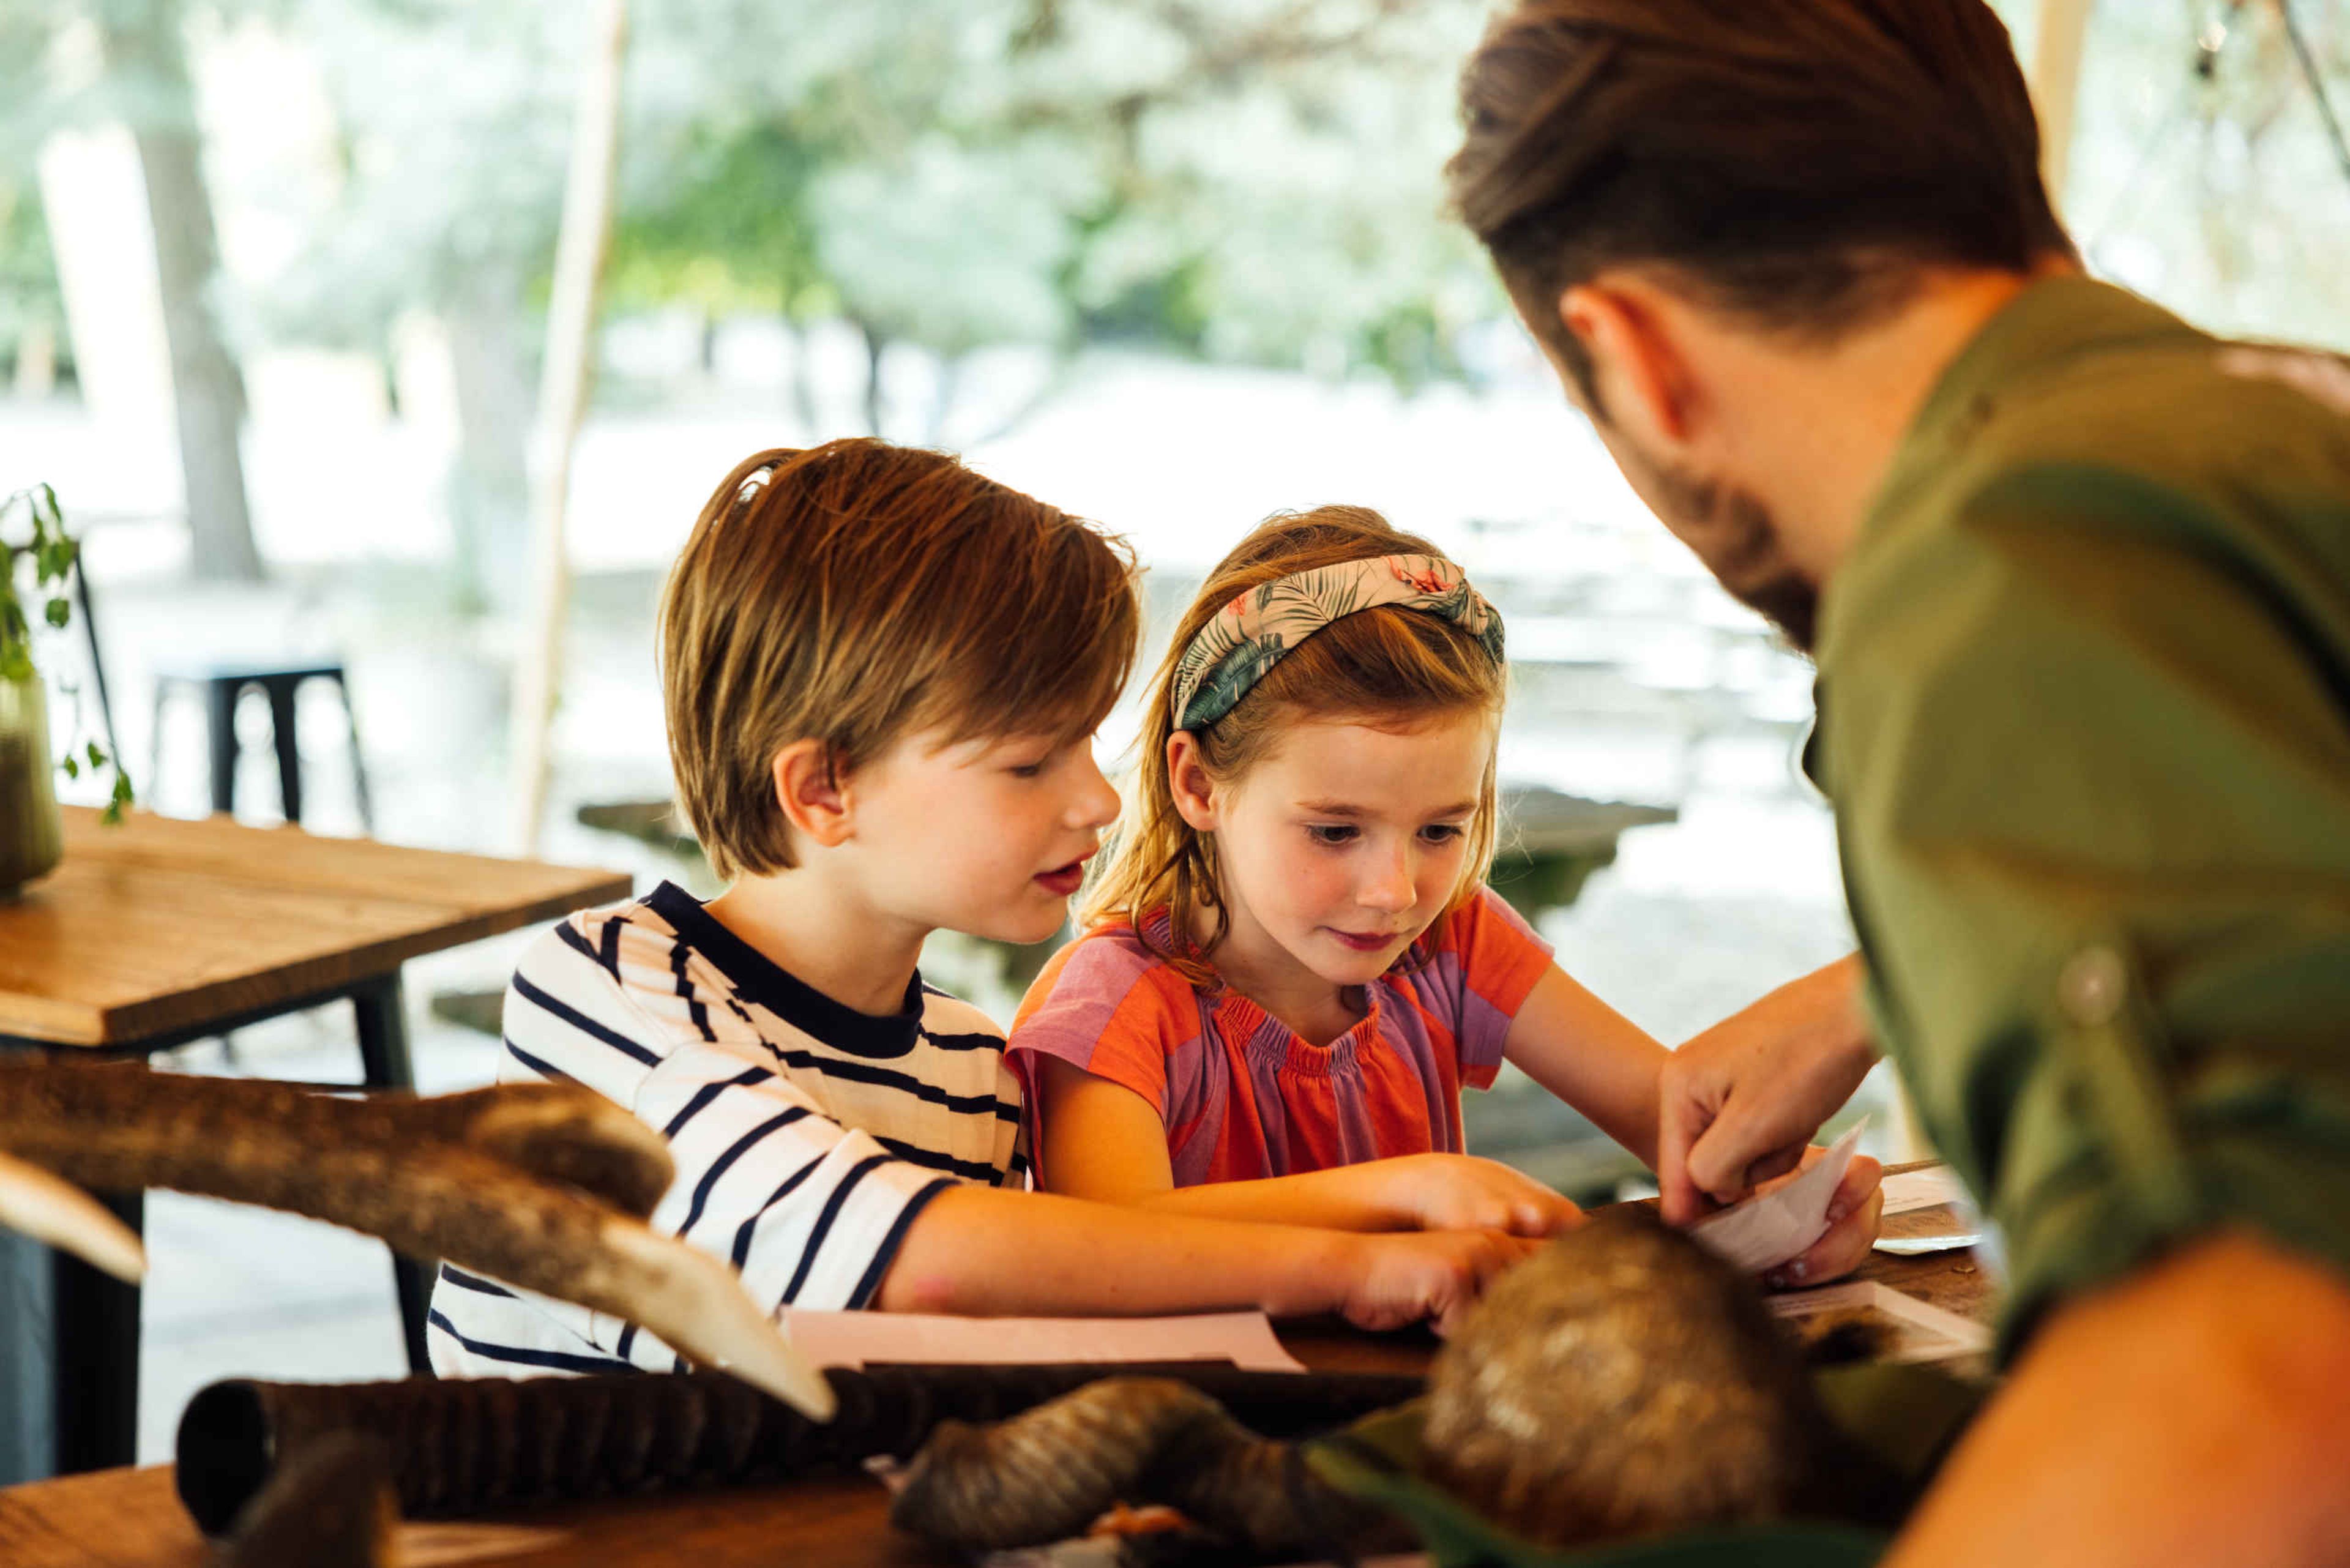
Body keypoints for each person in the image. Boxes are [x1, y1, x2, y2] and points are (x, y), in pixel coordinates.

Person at [1445, 2, 2350, 1562]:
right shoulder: (2279, 422)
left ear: (1633, 357)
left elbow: (2253, 1365)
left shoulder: (2010, 560)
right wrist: (1877, 988)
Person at [427, 440, 1539, 1380]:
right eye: (1029, 763)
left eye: (1088, 746)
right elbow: (925, 1265)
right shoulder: (607, 992)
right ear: (825, 789)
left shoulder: (970, 1067)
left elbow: (1026, 1319)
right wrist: (1374, 1243)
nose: (1102, 799)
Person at [1009, 504, 1881, 1288]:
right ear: (1198, 783)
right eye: (1335, 831)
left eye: (1439, 830)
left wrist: (1789, 1195)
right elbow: (1107, 1238)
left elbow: (1681, 1129)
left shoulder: (1452, 943)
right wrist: (1409, 1192)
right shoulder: (1113, 1005)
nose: (1394, 893)